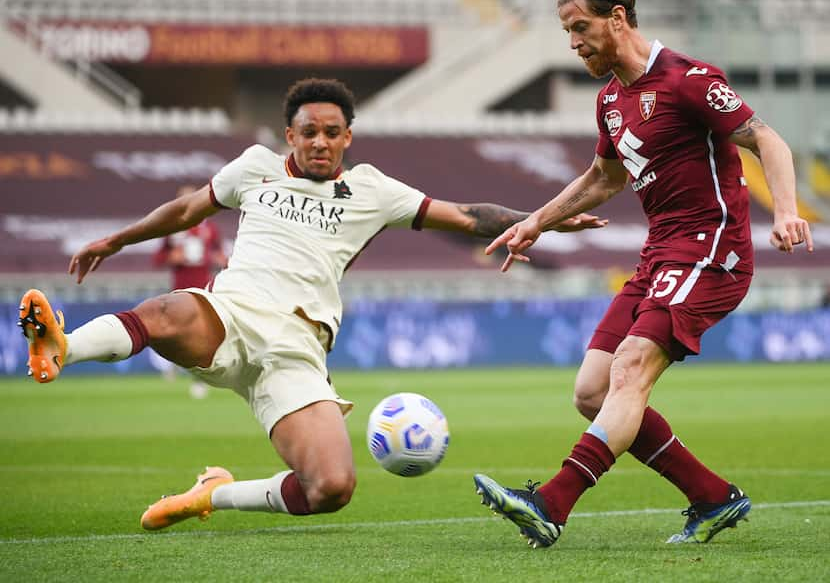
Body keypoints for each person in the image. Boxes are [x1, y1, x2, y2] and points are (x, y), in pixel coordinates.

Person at [18, 78, 605, 531]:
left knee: (330, 488)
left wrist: (543, 220)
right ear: (289, 136)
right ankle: (62, 347)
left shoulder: (374, 190)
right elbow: (186, 211)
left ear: (348, 136)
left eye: (331, 132)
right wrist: (117, 239)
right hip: (231, 316)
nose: (319, 141)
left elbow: (468, 216)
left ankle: (212, 494)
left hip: (298, 350)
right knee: (169, 310)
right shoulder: (254, 168)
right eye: (308, 132)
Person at [475, 0, 814, 548]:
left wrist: (785, 209)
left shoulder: (687, 78)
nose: (574, 43)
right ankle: (712, 497)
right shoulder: (611, 99)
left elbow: (767, 137)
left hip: (711, 249)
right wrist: (535, 223)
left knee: (631, 369)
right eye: (567, 33)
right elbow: (602, 179)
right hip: (659, 256)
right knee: (591, 392)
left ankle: (551, 503)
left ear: (619, 17)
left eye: (580, 28)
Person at [152, 184, 227, 396]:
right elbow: (158, 258)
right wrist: (170, 258)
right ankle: (172, 368)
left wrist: (219, 259)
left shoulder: (210, 228)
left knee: (202, 333)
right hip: (179, 288)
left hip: (203, 287)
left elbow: (220, 254)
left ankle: (200, 377)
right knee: (175, 332)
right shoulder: (172, 228)